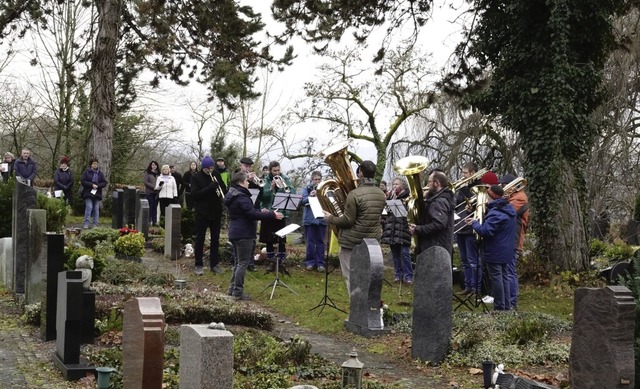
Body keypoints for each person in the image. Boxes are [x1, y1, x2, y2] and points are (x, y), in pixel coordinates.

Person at [323, 160, 386, 292]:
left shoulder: (354, 194)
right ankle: (367, 306)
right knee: (366, 276)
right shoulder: (381, 194)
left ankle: (356, 308)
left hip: (351, 243)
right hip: (371, 241)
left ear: (361, 173)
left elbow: (348, 221)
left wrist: (331, 218)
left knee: (351, 278)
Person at [224, 172, 284, 300]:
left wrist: (259, 211)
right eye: (246, 180)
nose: (248, 182)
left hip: (235, 232)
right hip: (244, 234)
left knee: (237, 263)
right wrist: (272, 215)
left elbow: (247, 212)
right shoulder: (242, 197)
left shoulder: (233, 195)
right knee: (242, 264)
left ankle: (231, 290)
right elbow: (251, 215)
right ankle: (238, 293)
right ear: (241, 182)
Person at [466, 185, 517, 311]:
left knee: (497, 279)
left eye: (487, 197)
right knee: (504, 277)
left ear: (491, 197)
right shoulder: (509, 208)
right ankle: (506, 306)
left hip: (495, 251)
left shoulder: (496, 214)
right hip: (506, 250)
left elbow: (485, 231)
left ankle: (499, 307)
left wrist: (474, 223)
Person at [191, 156, 227, 275]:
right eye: (207, 169)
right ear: (203, 167)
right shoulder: (196, 177)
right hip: (202, 212)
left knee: (215, 239)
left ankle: (214, 264)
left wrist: (219, 187)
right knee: (200, 238)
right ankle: (198, 264)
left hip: (215, 211)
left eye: (211, 168)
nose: (210, 171)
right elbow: (195, 195)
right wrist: (209, 188)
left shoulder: (216, 173)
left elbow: (224, 188)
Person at [500, 174, 529, 310]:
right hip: (508, 238)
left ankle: (512, 303)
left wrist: (498, 200)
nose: (501, 188)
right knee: (506, 271)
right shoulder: (511, 197)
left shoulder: (519, 198)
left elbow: (507, 213)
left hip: (514, 239)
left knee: (510, 271)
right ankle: (507, 301)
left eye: (503, 185)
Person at [409, 171, 455, 257]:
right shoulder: (436, 199)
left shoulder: (439, 201)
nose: (427, 184)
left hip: (435, 247)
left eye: (429, 182)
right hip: (434, 246)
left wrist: (418, 229)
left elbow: (439, 224)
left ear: (436, 183)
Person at [454, 162, 482, 295]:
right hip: (460, 226)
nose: (462, 176)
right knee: (464, 260)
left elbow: (473, 203)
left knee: (473, 260)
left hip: (471, 228)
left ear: (472, 173)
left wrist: (465, 189)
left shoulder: (478, 187)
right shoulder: (461, 188)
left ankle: (477, 288)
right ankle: (468, 286)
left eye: (465, 173)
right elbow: (457, 204)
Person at [381, 177, 413, 284]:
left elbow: (409, 212)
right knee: (395, 253)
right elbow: (385, 212)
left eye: (397, 184)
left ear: (402, 186)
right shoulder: (390, 197)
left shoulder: (408, 196)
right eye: (393, 184)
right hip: (392, 229)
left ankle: (408, 276)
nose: (394, 186)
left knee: (404, 253)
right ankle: (398, 274)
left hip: (403, 228)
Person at [238, 156, 262, 271]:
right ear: (241, 165)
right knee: (241, 237)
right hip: (241, 209)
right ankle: (238, 261)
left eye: (249, 166)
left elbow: (260, 193)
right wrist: (245, 179)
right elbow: (234, 189)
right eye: (246, 166)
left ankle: (250, 263)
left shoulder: (253, 178)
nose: (248, 168)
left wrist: (253, 182)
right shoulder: (236, 176)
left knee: (252, 237)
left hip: (253, 208)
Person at [301, 171, 327, 272]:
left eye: (319, 179)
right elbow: (302, 201)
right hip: (309, 219)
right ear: (312, 180)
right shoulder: (306, 189)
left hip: (321, 219)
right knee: (310, 242)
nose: (317, 181)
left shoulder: (324, 189)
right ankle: (310, 263)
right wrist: (310, 196)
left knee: (320, 242)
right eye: (315, 179)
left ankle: (320, 263)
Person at [80, 158, 108, 229]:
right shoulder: (86, 172)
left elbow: (104, 183)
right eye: (94, 163)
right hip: (88, 192)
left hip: (97, 193)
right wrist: (91, 184)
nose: (95, 165)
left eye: (96, 163)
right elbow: (83, 181)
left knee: (96, 208)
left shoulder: (100, 173)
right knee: (89, 206)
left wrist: (98, 186)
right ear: (91, 165)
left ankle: (95, 223)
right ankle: (86, 223)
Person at [143, 161, 160, 225]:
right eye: (153, 165)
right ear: (150, 166)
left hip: (156, 193)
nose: (154, 166)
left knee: (155, 207)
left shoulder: (158, 174)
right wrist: (153, 187)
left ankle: (154, 221)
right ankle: (148, 220)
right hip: (149, 192)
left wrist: (159, 187)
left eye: (155, 165)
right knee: (150, 206)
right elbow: (145, 182)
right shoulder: (147, 173)